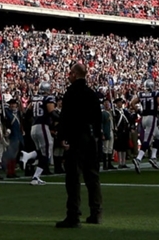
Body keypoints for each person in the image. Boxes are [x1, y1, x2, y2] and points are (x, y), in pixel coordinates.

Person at [56, 63, 102, 228]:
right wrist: (97, 136)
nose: (68, 75)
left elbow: (66, 117)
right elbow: (98, 118)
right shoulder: (91, 94)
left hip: (76, 138)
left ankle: (73, 215)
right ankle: (96, 213)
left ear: (75, 74)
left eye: (70, 73)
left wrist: (62, 137)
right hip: (90, 138)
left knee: (73, 178)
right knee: (92, 176)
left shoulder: (71, 93)